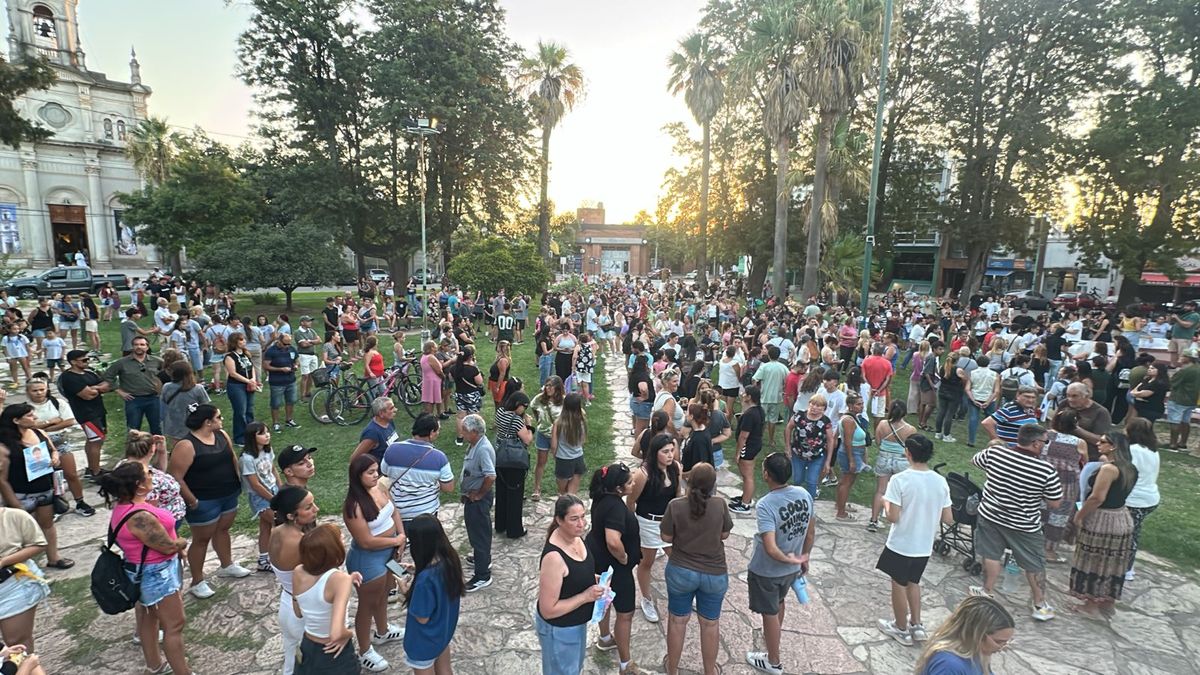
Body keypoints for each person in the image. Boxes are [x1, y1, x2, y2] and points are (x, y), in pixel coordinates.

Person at [97, 462, 192, 675]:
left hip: (141, 571)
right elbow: (166, 546)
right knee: (174, 625)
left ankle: (154, 665)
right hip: (157, 573)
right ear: (139, 486)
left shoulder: (126, 506)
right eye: (149, 473)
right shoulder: (139, 517)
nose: (153, 474)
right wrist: (182, 543)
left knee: (150, 619)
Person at [968, 424, 1062, 621]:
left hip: (991, 514)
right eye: (1045, 442)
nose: (1045, 446)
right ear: (1036, 443)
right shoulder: (1046, 470)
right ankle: (1039, 604)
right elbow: (1055, 503)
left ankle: (986, 591)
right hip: (1024, 524)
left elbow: (975, 460)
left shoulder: (995, 454)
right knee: (1034, 563)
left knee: (991, 555)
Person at [874, 435, 951, 647]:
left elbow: (893, 517)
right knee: (913, 582)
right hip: (923, 545)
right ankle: (916, 625)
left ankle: (900, 628)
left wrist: (884, 502)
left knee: (898, 584)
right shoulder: (940, 481)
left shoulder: (899, 480)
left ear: (908, 453)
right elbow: (948, 518)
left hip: (901, 543)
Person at [167, 404, 251, 599]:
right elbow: (176, 477)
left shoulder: (222, 436)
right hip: (203, 500)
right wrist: (192, 500)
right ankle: (197, 581)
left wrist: (238, 482)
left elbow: (231, 459)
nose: (221, 420)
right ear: (208, 422)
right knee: (201, 539)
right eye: (218, 417)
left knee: (223, 530)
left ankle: (227, 565)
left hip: (228, 494)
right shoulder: (186, 445)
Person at [745, 452, 816, 675]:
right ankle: (772, 643)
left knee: (769, 613)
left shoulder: (766, 505)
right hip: (790, 571)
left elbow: (771, 548)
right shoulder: (804, 494)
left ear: (766, 475)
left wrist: (792, 558)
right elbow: (810, 532)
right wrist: (804, 557)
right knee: (779, 604)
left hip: (767, 571)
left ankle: (773, 661)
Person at [660, 463, 732, 675]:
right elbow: (725, 534)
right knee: (710, 624)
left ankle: (672, 669)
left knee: (677, 621)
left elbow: (665, 537)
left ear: (688, 481)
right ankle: (710, 670)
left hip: (681, 570)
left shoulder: (675, 505)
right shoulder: (720, 504)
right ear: (713, 485)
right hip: (714, 572)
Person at [342, 455, 406, 671]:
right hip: (368, 560)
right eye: (370, 472)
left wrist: (402, 536)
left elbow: (394, 510)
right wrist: (395, 540)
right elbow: (366, 542)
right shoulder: (353, 506)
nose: (376, 475)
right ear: (357, 476)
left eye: (376, 470)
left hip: (389, 553)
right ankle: (365, 650)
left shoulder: (380, 487)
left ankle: (383, 630)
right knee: (367, 605)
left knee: (385, 592)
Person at [1069, 431, 1138, 618]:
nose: (1098, 443)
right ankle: (1108, 602)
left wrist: (1080, 516)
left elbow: (1097, 497)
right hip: (1121, 517)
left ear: (1113, 446)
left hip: (1102, 519)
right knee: (1113, 562)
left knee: (1094, 560)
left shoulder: (1108, 470)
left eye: (1103, 442)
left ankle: (1090, 605)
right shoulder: (1129, 468)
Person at [538, 494, 604, 675]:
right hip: (560, 630)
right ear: (559, 520)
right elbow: (548, 610)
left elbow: (576, 574)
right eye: (574, 519)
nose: (581, 524)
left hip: (576, 624)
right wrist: (586, 596)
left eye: (583, 516)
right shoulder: (554, 558)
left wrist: (594, 580)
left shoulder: (575, 537)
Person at [0, 404, 71, 570]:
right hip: (21, 493)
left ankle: (53, 558)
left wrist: (55, 458)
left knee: (47, 525)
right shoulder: (4, 445)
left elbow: (53, 450)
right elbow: (2, 479)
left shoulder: (39, 432)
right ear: (16, 420)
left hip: (44, 488)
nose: (35, 418)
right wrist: (15, 504)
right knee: (19, 533)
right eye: (30, 416)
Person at [588, 464, 642, 674]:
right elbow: (613, 541)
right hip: (616, 569)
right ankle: (625, 664)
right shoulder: (615, 508)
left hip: (599, 563)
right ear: (618, 488)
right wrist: (624, 557)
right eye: (629, 482)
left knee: (604, 600)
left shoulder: (602, 497)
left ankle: (604, 639)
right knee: (625, 613)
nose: (634, 483)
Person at [627, 433, 682, 627]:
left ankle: (682, 592)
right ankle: (646, 599)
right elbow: (631, 501)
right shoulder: (643, 474)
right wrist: (632, 526)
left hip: (668, 522)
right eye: (665, 451)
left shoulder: (675, 468)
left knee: (677, 557)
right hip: (647, 523)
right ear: (655, 452)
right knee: (646, 561)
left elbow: (677, 496)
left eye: (672, 450)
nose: (670, 455)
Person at [399, 514, 463, 674]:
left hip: (423, 642)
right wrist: (416, 568)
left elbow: (422, 617)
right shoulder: (450, 560)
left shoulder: (424, 581)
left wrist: (405, 591)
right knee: (445, 670)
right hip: (442, 633)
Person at [292, 524, 360, 674]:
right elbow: (336, 634)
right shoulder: (340, 580)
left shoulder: (298, 571)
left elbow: (298, 612)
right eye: (341, 540)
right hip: (333, 653)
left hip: (308, 645)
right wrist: (350, 633)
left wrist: (347, 578)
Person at [24, 377, 94, 516]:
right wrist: (53, 421)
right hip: (38, 446)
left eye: (42, 389)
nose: (39, 393)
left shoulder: (57, 403)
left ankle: (80, 502)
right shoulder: (25, 407)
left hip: (60, 441)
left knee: (71, 474)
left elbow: (69, 421)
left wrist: (43, 427)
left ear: (47, 389)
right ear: (28, 392)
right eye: (35, 390)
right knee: (49, 478)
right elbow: (30, 426)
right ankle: (55, 504)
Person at [268, 486, 319, 675]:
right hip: (304, 611)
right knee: (314, 664)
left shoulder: (276, 531)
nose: (316, 509)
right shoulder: (302, 543)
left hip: (286, 603)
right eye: (308, 507)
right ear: (291, 515)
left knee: (291, 660)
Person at [0, 483, 49, 654]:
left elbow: (39, 544)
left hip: (13, 585)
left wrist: (4, 561)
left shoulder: (15, 517)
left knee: (15, 642)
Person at [913, 596, 1014, 675]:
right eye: (998, 642)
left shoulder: (978, 653)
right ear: (977, 634)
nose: (1003, 647)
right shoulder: (948, 664)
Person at [1041, 411, 1087, 564]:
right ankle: (1049, 550)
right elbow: (1085, 462)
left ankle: (1031, 543)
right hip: (1067, 484)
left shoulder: (1047, 435)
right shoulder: (1079, 442)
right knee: (1058, 517)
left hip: (1044, 479)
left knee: (1039, 511)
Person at [460, 414, 496, 593]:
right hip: (471, 497)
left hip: (478, 500)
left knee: (480, 535)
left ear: (474, 432)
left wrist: (480, 494)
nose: (462, 433)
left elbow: (490, 475)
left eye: (465, 431)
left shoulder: (482, 449)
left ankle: (482, 575)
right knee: (476, 533)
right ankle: (482, 558)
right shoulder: (475, 444)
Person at [870, 401, 917, 533]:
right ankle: (898, 522)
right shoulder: (911, 429)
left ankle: (873, 520)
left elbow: (878, 442)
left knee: (881, 491)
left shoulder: (882, 424)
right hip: (901, 461)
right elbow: (911, 447)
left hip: (884, 458)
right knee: (901, 493)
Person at [241, 422, 281, 573]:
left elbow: (272, 469)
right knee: (281, 523)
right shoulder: (247, 459)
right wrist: (273, 499)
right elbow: (255, 485)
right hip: (260, 497)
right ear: (252, 437)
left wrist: (280, 487)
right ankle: (282, 556)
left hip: (273, 490)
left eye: (268, 432)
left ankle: (264, 560)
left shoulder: (267, 451)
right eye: (262, 433)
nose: (267, 435)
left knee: (265, 527)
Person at [103, 335, 164, 435]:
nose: (139, 347)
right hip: (133, 400)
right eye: (136, 345)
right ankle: (133, 450)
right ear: (132, 347)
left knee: (157, 428)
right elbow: (107, 376)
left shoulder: (157, 361)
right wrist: (119, 391)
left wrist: (163, 389)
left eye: (142, 344)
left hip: (154, 398)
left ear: (147, 347)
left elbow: (169, 374)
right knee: (133, 430)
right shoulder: (122, 362)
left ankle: (158, 449)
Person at [1124, 418, 1160, 581]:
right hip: (1150, 498)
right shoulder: (1153, 450)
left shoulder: (1133, 450)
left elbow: (1126, 473)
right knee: (1133, 532)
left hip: (1136, 499)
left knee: (1130, 535)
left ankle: (1126, 569)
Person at [494, 391, 533, 539]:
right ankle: (514, 529)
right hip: (514, 460)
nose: (525, 409)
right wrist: (528, 426)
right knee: (515, 495)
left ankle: (500, 524)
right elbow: (527, 440)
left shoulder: (500, 412)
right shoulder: (516, 420)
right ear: (518, 405)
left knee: (502, 492)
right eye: (524, 406)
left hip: (500, 457)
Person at [783, 393, 835, 499]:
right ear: (809, 404)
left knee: (812, 481)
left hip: (817, 456)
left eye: (818, 406)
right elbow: (788, 428)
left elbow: (830, 440)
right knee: (797, 479)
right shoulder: (799, 416)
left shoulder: (825, 421)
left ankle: (810, 503)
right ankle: (795, 499)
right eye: (813, 404)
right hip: (798, 453)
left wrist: (828, 461)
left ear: (824, 409)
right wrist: (787, 446)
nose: (815, 408)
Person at [161, 360, 211, 450]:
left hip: (174, 423)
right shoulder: (198, 388)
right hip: (195, 423)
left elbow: (164, 402)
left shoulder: (166, 387)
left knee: (178, 449)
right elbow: (205, 406)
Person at [834, 393, 870, 521]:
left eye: (862, 403)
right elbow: (847, 442)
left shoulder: (853, 417)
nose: (861, 406)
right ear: (850, 406)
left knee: (845, 480)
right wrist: (851, 460)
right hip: (851, 452)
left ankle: (840, 504)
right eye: (858, 404)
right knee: (847, 481)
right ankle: (841, 512)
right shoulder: (848, 420)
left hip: (856, 452)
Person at [529, 376, 565, 501]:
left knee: (560, 463)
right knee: (540, 462)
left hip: (558, 437)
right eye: (547, 385)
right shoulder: (539, 399)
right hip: (543, 434)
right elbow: (533, 407)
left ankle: (562, 491)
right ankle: (537, 488)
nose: (548, 388)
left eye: (551, 385)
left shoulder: (564, 401)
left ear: (558, 387)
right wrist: (539, 421)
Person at [730, 385, 765, 513]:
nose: (742, 395)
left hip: (748, 446)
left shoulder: (750, 415)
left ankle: (745, 504)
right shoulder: (759, 410)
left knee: (747, 475)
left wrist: (738, 453)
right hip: (755, 444)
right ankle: (746, 496)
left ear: (749, 397)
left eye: (744, 394)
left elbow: (743, 436)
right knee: (747, 475)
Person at [1059, 382, 1112, 461]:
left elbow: (1100, 440)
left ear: (1086, 396)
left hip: (1087, 455)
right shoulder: (1064, 404)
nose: (1070, 399)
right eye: (1068, 395)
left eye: (1074, 396)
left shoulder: (1101, 412)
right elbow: (1053, 425)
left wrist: (1075, 428)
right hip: (1061, 449)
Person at [752, 345, 789, 448]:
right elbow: (788, 380)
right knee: (773, 420)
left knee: (761, 419)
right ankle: (771, 440)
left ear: (768, 355)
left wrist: (755, 391)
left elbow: (754, 379)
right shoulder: (783, 368)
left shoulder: (764, 366)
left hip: (764, 397)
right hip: (776, 398)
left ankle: (758, 438)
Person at [263, 333, 301, 433]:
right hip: (277, 382)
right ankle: (275, 423)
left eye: (289, 344)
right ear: (279, 341)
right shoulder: (271, 351)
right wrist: (280, 369)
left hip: (291, 380)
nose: (287, 346)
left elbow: (297, 361)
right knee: (276, 403)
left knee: (291, 401)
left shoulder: (292, 349)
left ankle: (289, 419)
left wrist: (296, 365)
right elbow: (266, 366)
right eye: (285, 344)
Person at [551, 393, 588, 495]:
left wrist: (554, 455)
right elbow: (583, 439)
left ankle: (563, 509)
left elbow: (554, 445)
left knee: (562, 492)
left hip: (563, 459)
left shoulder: (558, 423)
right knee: (572, 492)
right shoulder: (582, 420)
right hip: (578, 457)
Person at [450, 346, 484, 447]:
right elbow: (480, 382)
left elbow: (451, 379)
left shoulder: (453, 368)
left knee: (460, 417)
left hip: (459, 394)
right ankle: (476, 437)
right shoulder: (472, 369)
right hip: (472, 395)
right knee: (475, 417)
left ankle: (460, 438)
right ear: (470, 357)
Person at [1167, 347, 1199, 450]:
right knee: (1185, 421)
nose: (1181, 357)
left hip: (1179, 398)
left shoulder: (1185, 370)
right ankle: (1183, 443)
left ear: (1189, 358)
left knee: (1175, 421)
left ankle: (1173, 444)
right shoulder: (1197, 368)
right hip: (1191, 399)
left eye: (1183, 356)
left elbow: (1173, 383)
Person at [935, 352, 966, 443]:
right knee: (950, 414)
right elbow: (964, 380)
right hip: (954, 393)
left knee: (941, 412)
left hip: (942, 392)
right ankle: (946, 435)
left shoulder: (942, 367)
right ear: (957, 360)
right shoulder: (958, 370)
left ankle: (938, 432)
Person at [419, 340, 446, 418]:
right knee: (431, 401)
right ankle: (430, 416)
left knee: (429, 399)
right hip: (433, 381)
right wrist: (443, 376)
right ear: (431, 348)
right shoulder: (430, 357)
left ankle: (430, 415)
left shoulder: (423, 356)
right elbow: (438, 370)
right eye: (435, 346)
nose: (437, 347)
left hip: (427, 380)